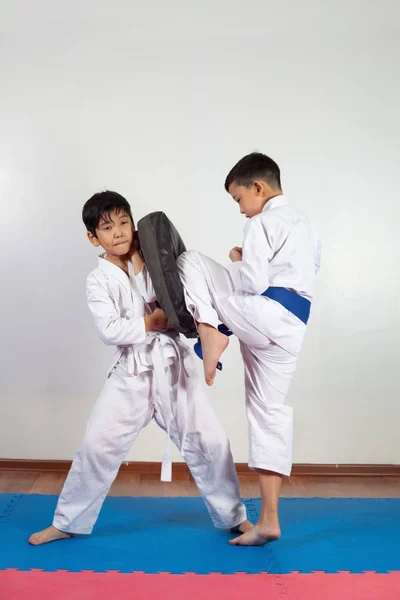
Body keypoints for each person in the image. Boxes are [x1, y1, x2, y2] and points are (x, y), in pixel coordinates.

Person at [29, 190, 251, 546]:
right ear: (93, 237)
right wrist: (150, 324)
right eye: (107, 227)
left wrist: (139, 262)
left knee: (210, 441)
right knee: (97, 446)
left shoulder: (152, 264)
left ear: (133, 225)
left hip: (172, 369)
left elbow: (171, 305)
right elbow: (110, 330)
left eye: (123, 223)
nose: (118, 232)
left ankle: (234, 518)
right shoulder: (97, 280)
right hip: (131, 374)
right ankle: (67, 521)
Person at [177, 152, 321, 546]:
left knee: (190, 261)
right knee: (267, 414)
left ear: (258, 188)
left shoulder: (262, 222)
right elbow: (299, 274)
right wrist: (249, 267)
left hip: (262, 313)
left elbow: (252, 284)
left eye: (239, 199)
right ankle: (270, 520)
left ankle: (213, 331)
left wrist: (237, 262)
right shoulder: (306, 224)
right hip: (292, 328)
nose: (241, 210)